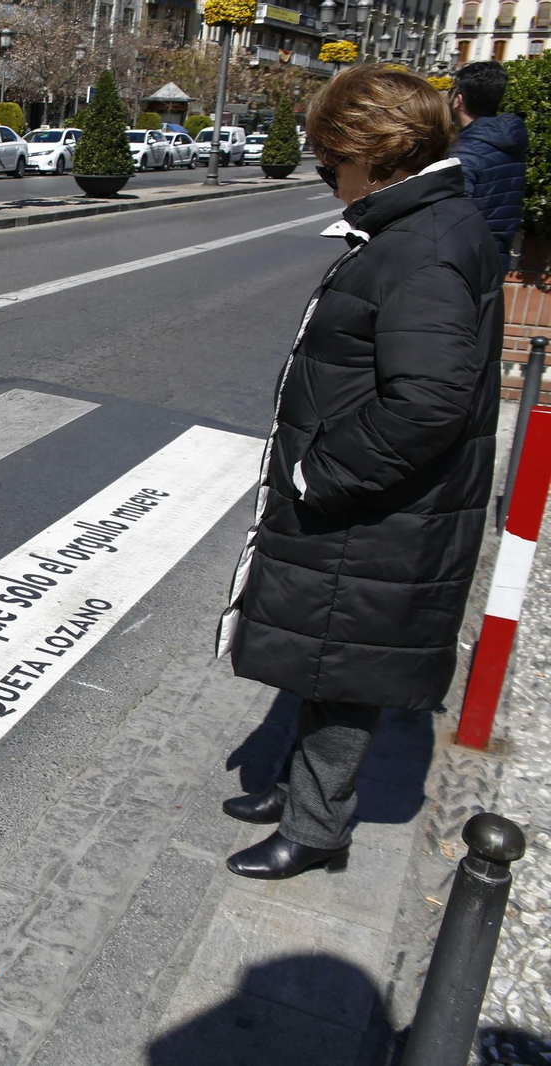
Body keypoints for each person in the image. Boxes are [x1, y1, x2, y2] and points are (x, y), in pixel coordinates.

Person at [216, 65, 503, 880]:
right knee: (327, 656)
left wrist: (321, 472)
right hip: (379, 506)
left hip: (378, 510)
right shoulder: (419, 228)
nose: (322, 171)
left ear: (373, 153)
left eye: (328, 158)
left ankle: (316, 830)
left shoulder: (425, 249)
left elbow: (429, 403)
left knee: (346, 666)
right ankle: (296, 790)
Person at [449, 61, 527, 266]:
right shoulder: (509, 141)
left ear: (458, 100)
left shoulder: (465, 152)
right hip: (496, 257)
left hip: (464, 263)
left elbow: (450, 218)